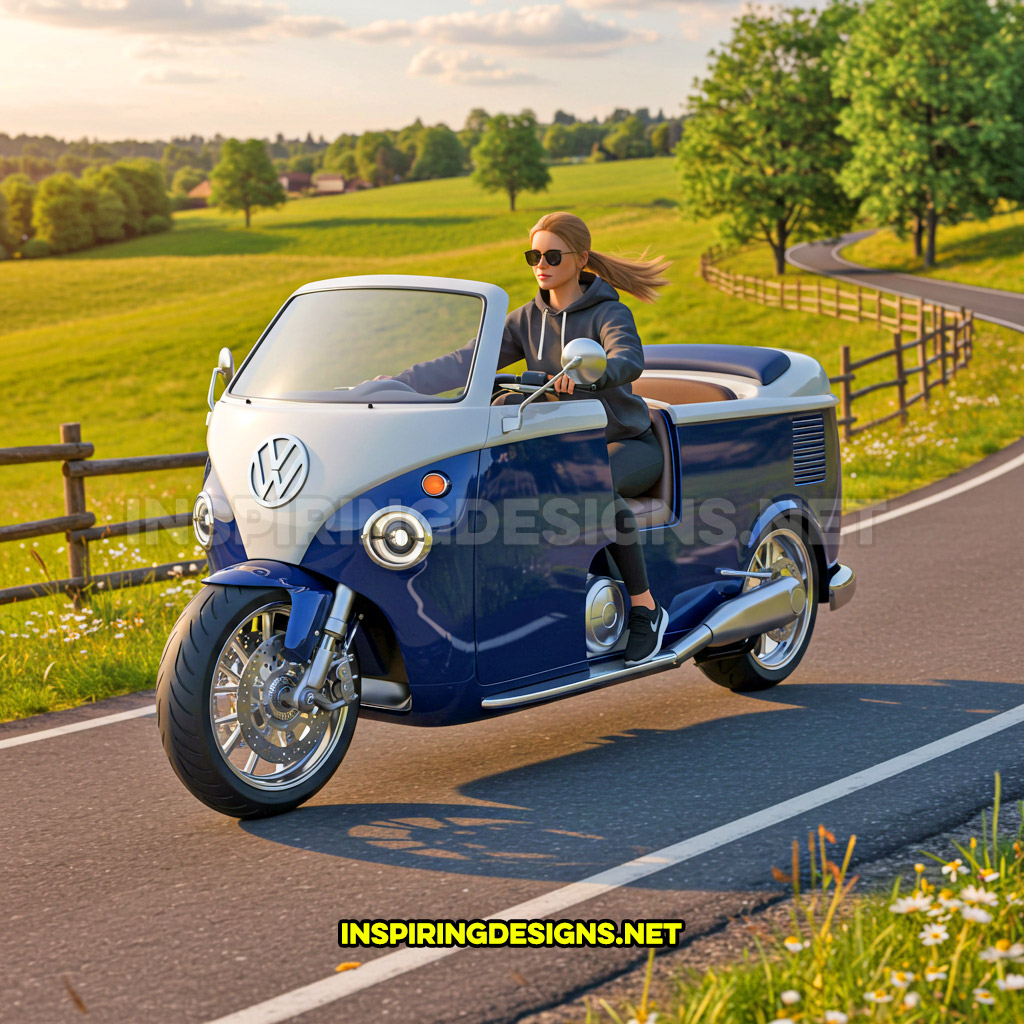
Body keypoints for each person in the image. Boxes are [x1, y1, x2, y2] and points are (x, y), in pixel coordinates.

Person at [383, 211, 672, 667]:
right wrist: (393, 384)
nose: (541, 263)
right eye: (533, 255)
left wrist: (587, 378)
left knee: (596, 488)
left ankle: (645, 609)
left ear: (580, 259)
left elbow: (628, 360)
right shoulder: (526, 319)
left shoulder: (609, 312)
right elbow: (466, 361)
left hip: (623, 442)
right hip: (560, 444)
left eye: (552, 254)